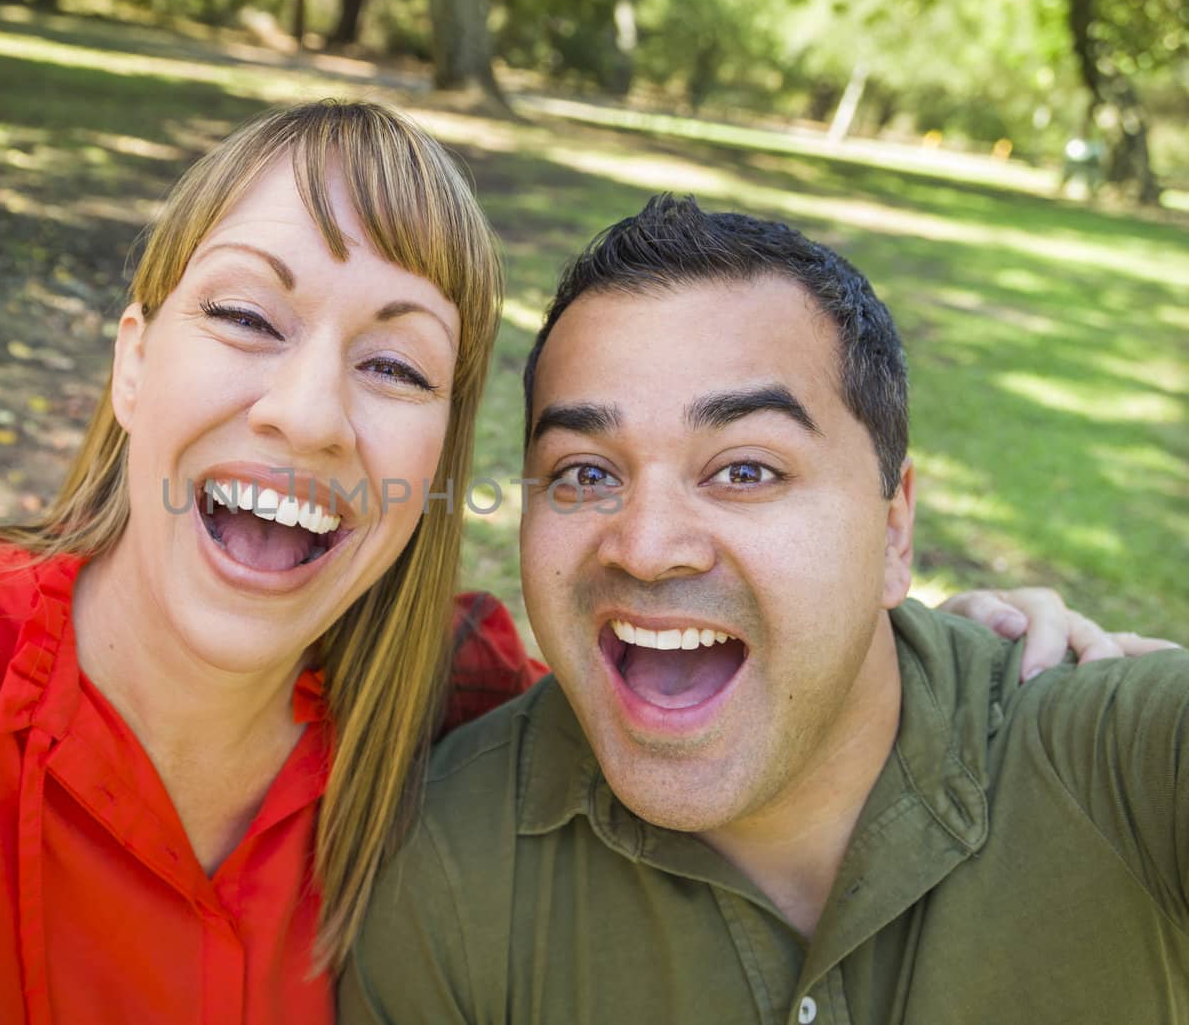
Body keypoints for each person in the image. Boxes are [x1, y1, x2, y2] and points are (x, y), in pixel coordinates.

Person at [0, 103, 1150, 1025]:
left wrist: (943, 632)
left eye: (398, 367)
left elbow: (746, 649)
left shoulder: (465, 708)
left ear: (434, 473)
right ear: (132, 366)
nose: (310, 410)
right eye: (247, 318)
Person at [341, 194, 1188, 1023]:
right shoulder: (444, 868)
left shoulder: (1126, 765)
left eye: (745, 470)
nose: (646, 546)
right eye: (587, 473)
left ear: (894, 528)